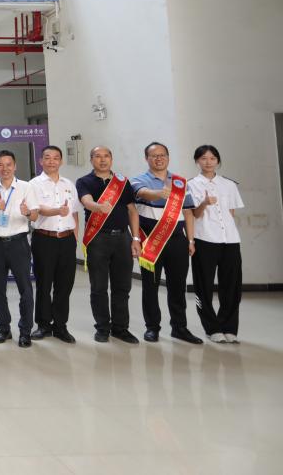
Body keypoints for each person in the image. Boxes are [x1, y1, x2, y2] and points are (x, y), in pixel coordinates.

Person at [130, 142, 202, 344]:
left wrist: (190, 240)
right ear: (147, 159)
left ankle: (180, 328)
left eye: (162, 155)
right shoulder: (137, 180)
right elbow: (142, 193)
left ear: (168, 158)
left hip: (177, 240)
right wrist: (160, 193)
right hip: (151, 240)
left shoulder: (180, 182)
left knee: (177, 286)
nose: (159, 159)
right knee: (150, 286)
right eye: (154, 156)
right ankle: (152, 327)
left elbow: (188, 213)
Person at [75, 146, 141, 344]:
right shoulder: (84, 181)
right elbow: (86, 201)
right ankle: (102, 328)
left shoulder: (122, 182)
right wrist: (99, 207)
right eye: (97, 156)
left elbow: (132, 211)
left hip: (123, 238)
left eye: (106, 156)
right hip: (98, 239)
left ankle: (121, 328)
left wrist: (135, 239)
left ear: (111, 159)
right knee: (99, 286)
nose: (102, 160)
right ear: (91, 160)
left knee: (122, 286)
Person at [0, 150, 37, 348]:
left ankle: (25, 331)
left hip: (18, 243)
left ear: (15, 166)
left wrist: (27, 212)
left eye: (8, 164)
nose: (5, 168)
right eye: (0, 165)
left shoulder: (26, 187)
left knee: (25, 290)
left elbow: (35, 216)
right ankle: (4, 328)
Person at [189, 144, 244, 343]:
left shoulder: (229, 184)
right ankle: (211, 328)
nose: (208, 162)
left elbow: (231, 213)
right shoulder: (190, 185)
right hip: (204, 239)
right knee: (204, 286)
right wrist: (204, 203)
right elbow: (193, 215)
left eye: (212, 158)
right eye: (203, 158)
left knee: (232, 285)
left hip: (230, 240)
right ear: (197, 161)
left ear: (218, 161)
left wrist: (227, 232)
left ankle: (229, 327)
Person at [27, 145, 81, 344]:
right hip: (44, 239)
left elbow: (74, 213)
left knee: (64, 285)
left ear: (61, 161)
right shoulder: (33, 184)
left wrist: (75, 237)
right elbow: (37, 209)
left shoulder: (69, 184)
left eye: (56, 158)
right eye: (47, 158)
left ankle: (60, 326)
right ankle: (43, 325)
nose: (51, 161)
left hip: (67, 240)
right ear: (41, 161)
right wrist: (57, 211)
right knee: (44, 284)